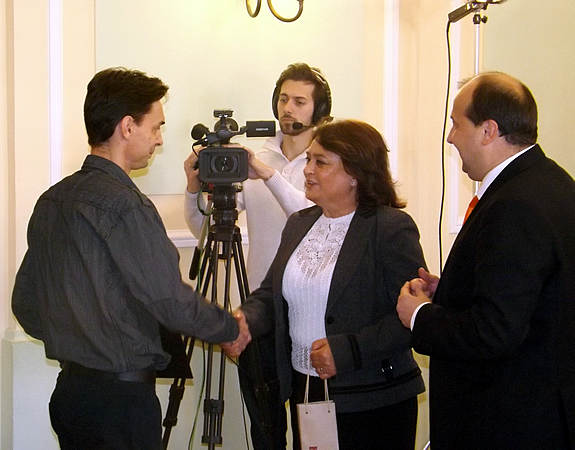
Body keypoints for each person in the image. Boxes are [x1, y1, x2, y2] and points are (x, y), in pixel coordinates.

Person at [11, 67, 245, 450]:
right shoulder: (126, 205)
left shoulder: (52, 200)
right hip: (121, 405)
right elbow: (168, 299)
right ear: (127, 127)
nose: (159, 140)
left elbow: (26, 306)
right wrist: (230, 329)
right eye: (156, 127)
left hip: (70, 395)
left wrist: (80, 341)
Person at [396, 72, 575, 449]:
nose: (450, 138)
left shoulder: (514, 206)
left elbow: (493, 331)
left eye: (456, 124)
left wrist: (419, 315)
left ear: (488, 131)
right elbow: (533, 296)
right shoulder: (554, 182)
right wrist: (450, 290)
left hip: (508, 422)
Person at [224, 119, 427, 450]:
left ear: (355, 174)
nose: (308, 170)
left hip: (373, 399)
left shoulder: (390, 227)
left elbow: (412, 318)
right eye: (308, 159)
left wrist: (347, 351)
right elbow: (271, 294)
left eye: (321, 162)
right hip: (306, 390)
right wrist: (244, 320)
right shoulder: (299, 223)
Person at [184, 62, 332, 449]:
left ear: (318, 110)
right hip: (262, 309)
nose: (288, 108)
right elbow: (205, 228)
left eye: (299, 101)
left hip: (310, 314)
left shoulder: (324, 162)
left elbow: (311, 217)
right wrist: (194, 189)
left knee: (312, 429)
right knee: (265, 428)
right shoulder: (256, 157)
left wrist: (267, 174)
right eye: (283, 99)